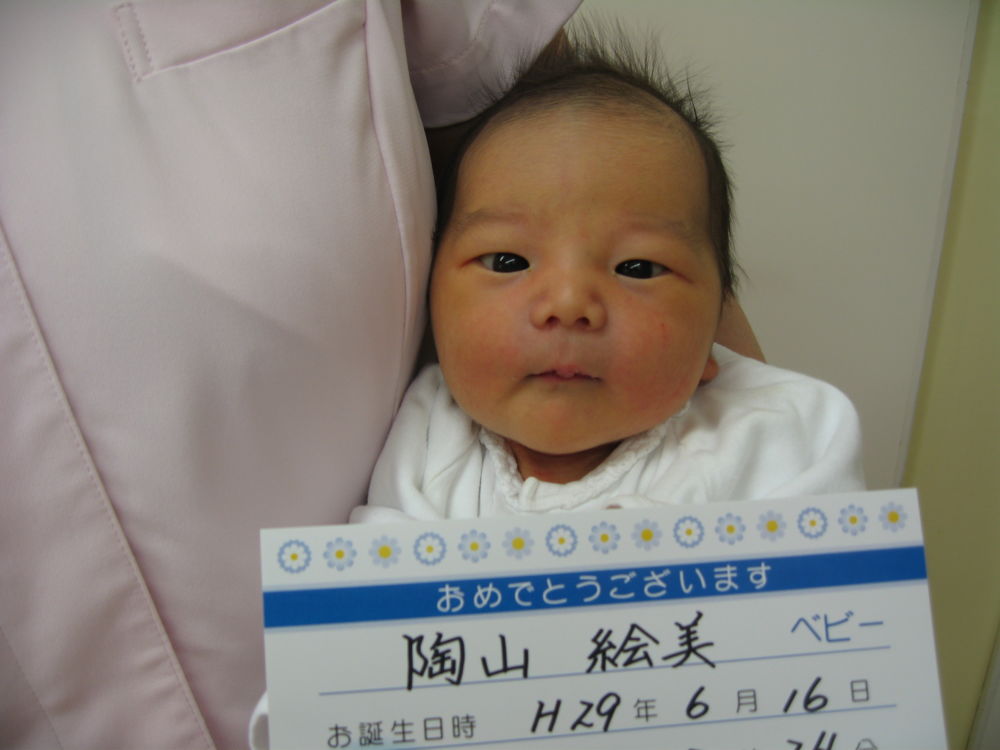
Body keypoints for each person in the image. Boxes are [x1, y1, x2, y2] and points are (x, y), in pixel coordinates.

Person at [0, 2, 584, 748]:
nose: (569, 304)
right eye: (506, 263)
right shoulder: (425, 463)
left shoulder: (736, 436)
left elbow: (590, 167)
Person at [353, 26, 866, 524]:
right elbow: (381, 575)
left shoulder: (775, 430)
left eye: (637, 268)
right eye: (508, 262)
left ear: (715, 330)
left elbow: (829, 572)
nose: (568, 303)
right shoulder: (430, 436)